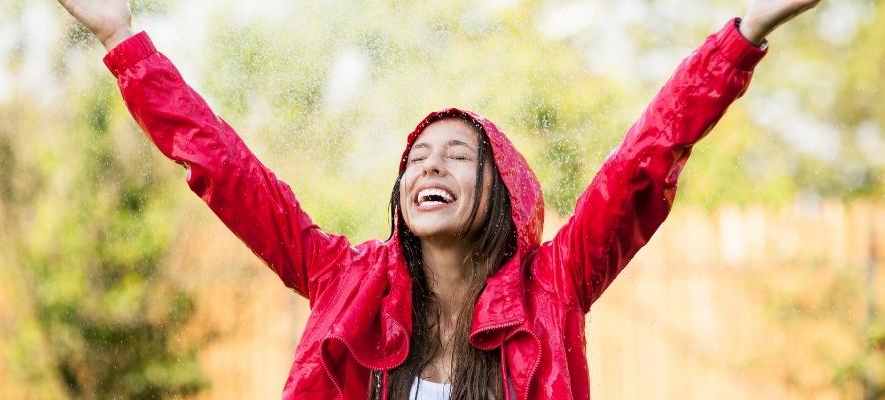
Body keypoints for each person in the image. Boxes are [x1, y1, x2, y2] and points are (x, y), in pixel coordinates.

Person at [57, 0, 822, 399]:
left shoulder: (555, 287)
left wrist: (745, 31)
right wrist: (124, 41)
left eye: (460, 154)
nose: (433, 164)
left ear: (505, 190)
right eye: (419, 156)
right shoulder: (343, 282)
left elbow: (644, 161)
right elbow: (225, 170)